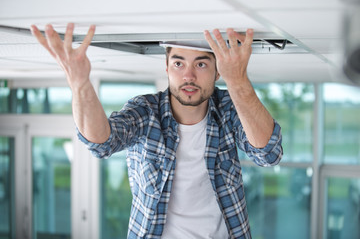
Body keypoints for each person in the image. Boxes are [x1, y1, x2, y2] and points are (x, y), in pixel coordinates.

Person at [30, 23, 283, 239]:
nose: (188, 76)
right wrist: (80, 84)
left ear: (218, 71)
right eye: (178, 63)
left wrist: (238, 81)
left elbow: (268, 154)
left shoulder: (229, 108)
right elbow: (101, 143)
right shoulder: (146, 111)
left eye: (202, 65)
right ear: (166, 68)